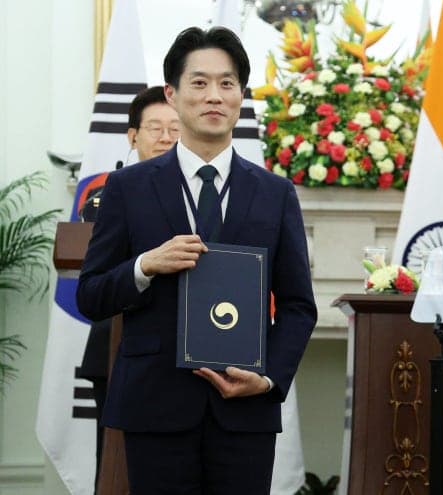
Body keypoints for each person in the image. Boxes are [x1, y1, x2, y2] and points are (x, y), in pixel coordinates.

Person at [76, 26, 317, 494]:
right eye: (200, 82)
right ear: (172, 93)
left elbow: (297, 306)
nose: (214, 96)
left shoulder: (275, 193)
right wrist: (145, 266)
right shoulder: (127, 188)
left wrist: (267, 380)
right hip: (155, 404)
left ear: (241, 95)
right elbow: (90, 294)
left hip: (245, 409)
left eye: (227, 84)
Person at [76, 85, 180, 492]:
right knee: (114, 463)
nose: (165, 137)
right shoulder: (106, 195)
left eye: (174, 127)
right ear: (132, 135)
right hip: (114, 347)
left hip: (181, 351)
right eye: (155, 127)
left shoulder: (196, 193)